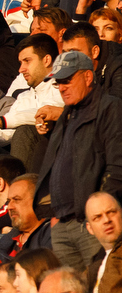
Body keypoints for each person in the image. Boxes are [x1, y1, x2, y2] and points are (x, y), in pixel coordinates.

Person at [36, 51, 122, 273]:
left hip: (91, 223)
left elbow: (117, 165)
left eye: (67, 80)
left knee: (101, 290)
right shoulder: (68, 113)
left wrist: (97, 215)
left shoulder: (111, 108)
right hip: (63, 223)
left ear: (87, 77)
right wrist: (55, 213)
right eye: (58, 83)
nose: (62, 87)